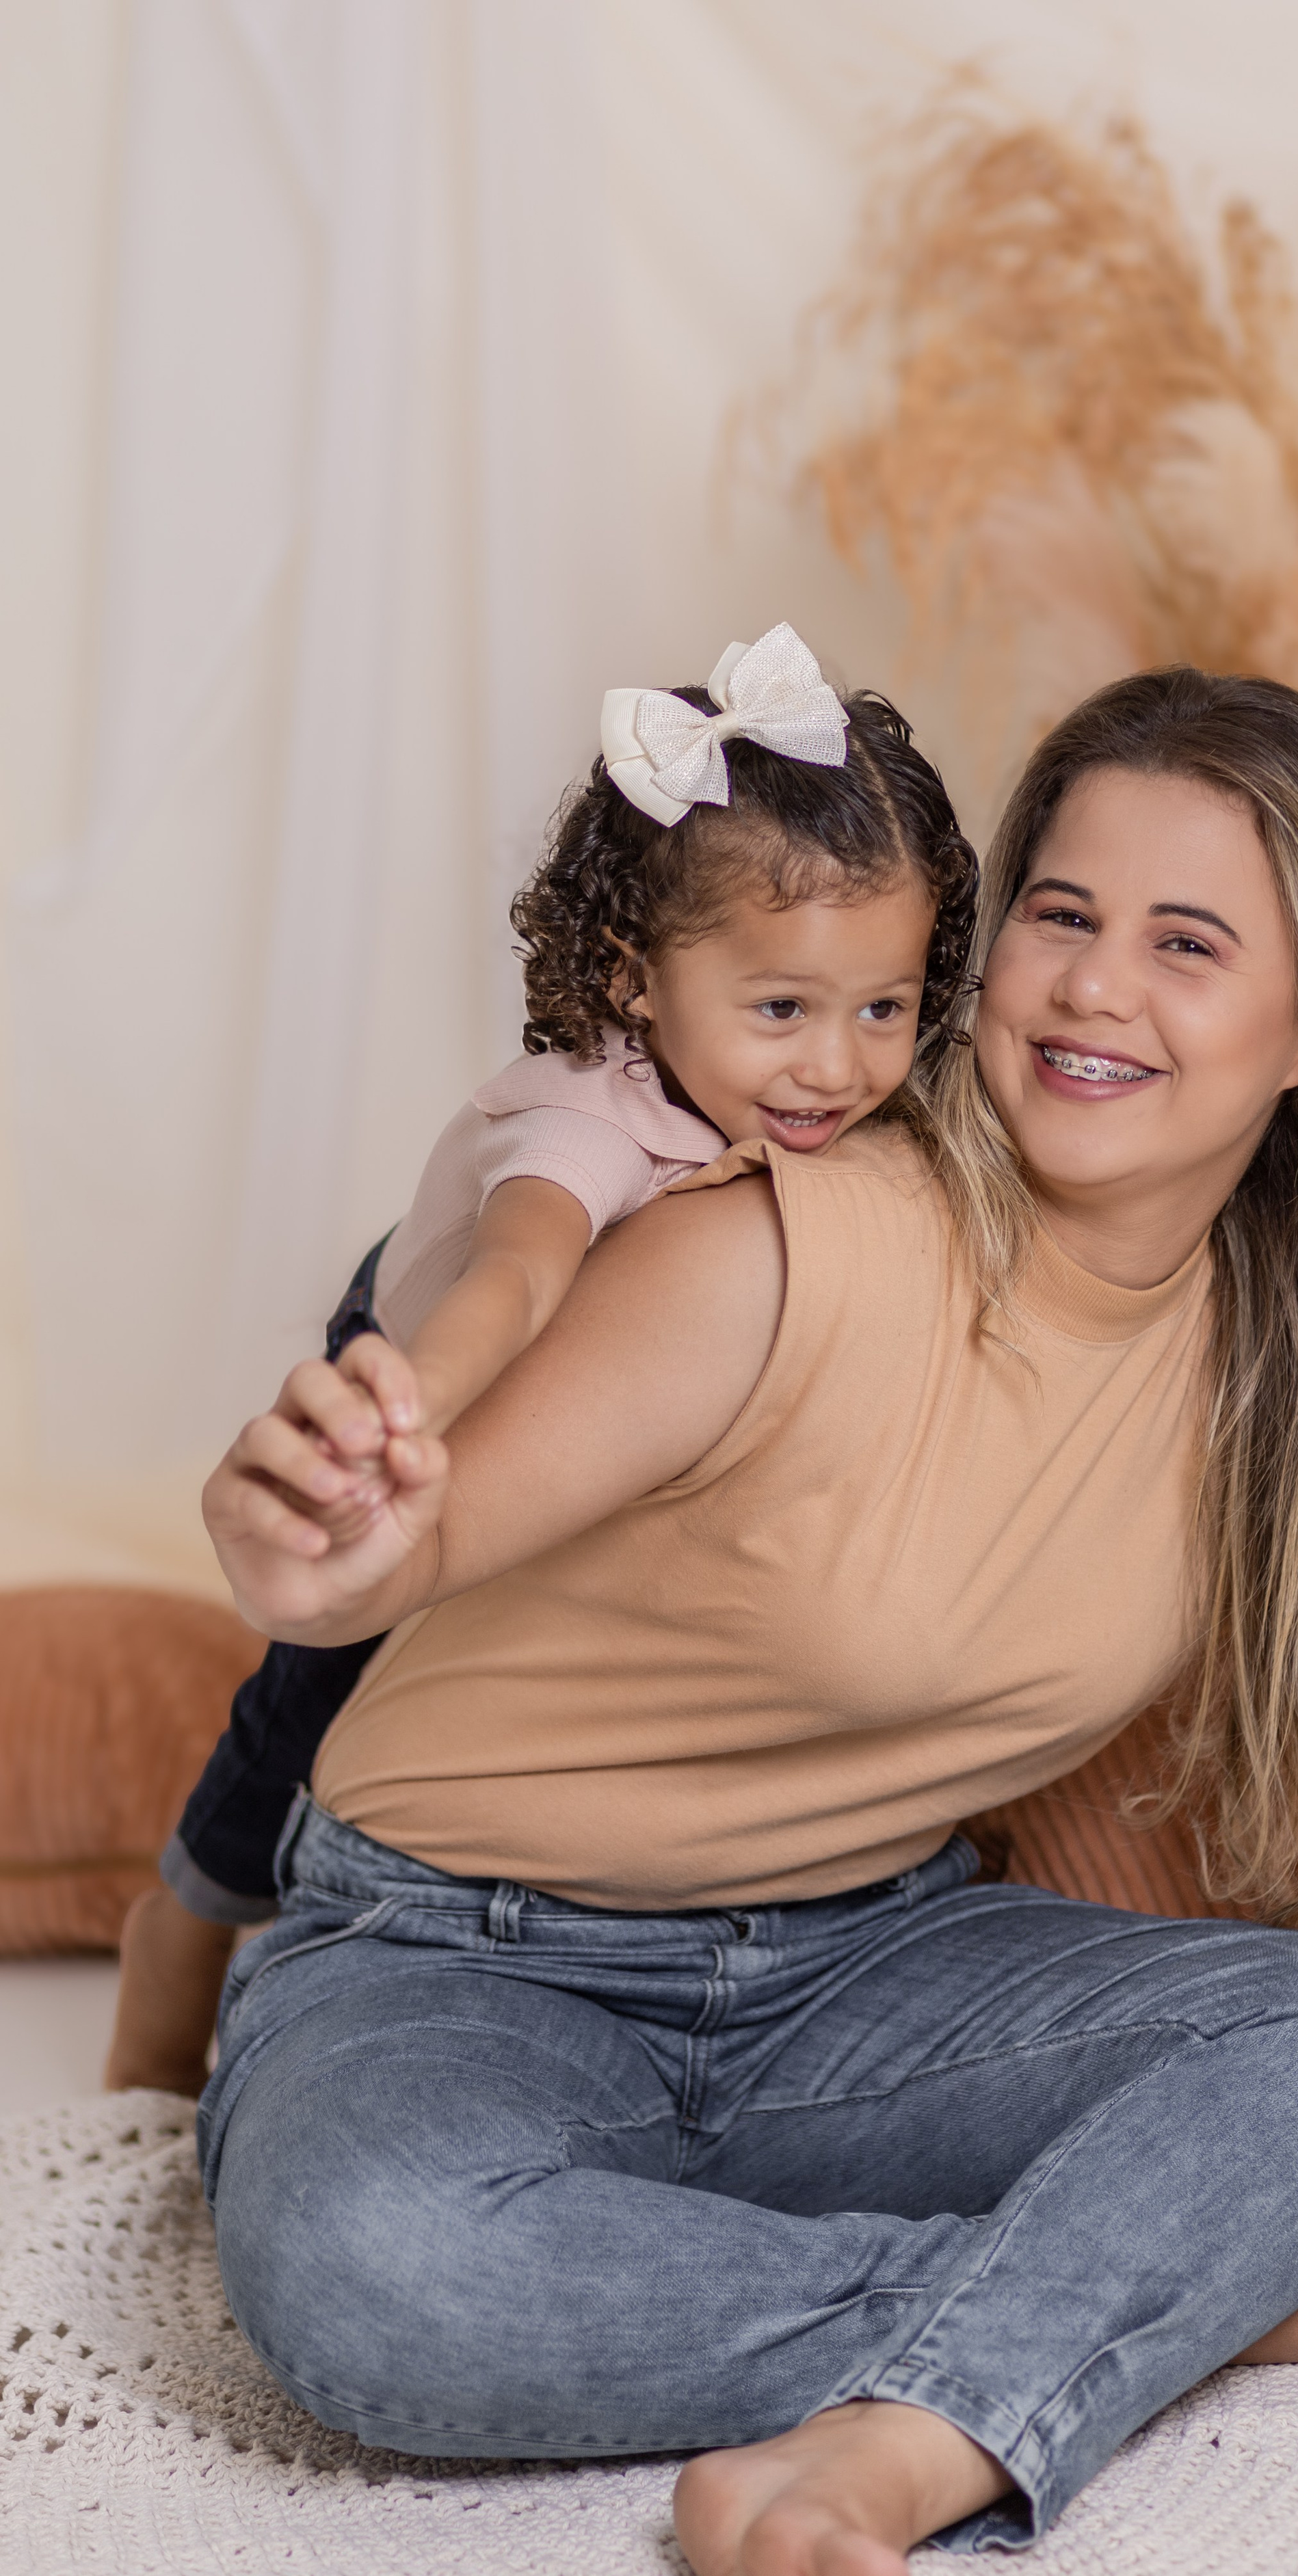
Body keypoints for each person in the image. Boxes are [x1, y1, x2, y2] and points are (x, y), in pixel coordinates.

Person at [198, 665, 1298, 2576]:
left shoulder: (1266, 1353)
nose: (1096, 987)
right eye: (1061, 916)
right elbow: (406, 1545)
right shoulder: (774, 1245)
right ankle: (1123, 2310)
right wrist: (302, 1545)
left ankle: (898, 2431)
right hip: (463, 1956)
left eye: (1188, 945)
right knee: (378, 2279)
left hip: (866, 1969)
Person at [105, 624, 977, 2099]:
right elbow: (518, 1279)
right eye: (782, 1010)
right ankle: (184, 1929)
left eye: (880, 1007)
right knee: (323, 1684)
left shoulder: (829, 1116)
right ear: (635, 980)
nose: (837, 1067)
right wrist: (406, 1408)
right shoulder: (583, 1125)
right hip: (436, 1354)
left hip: (609, 1406)